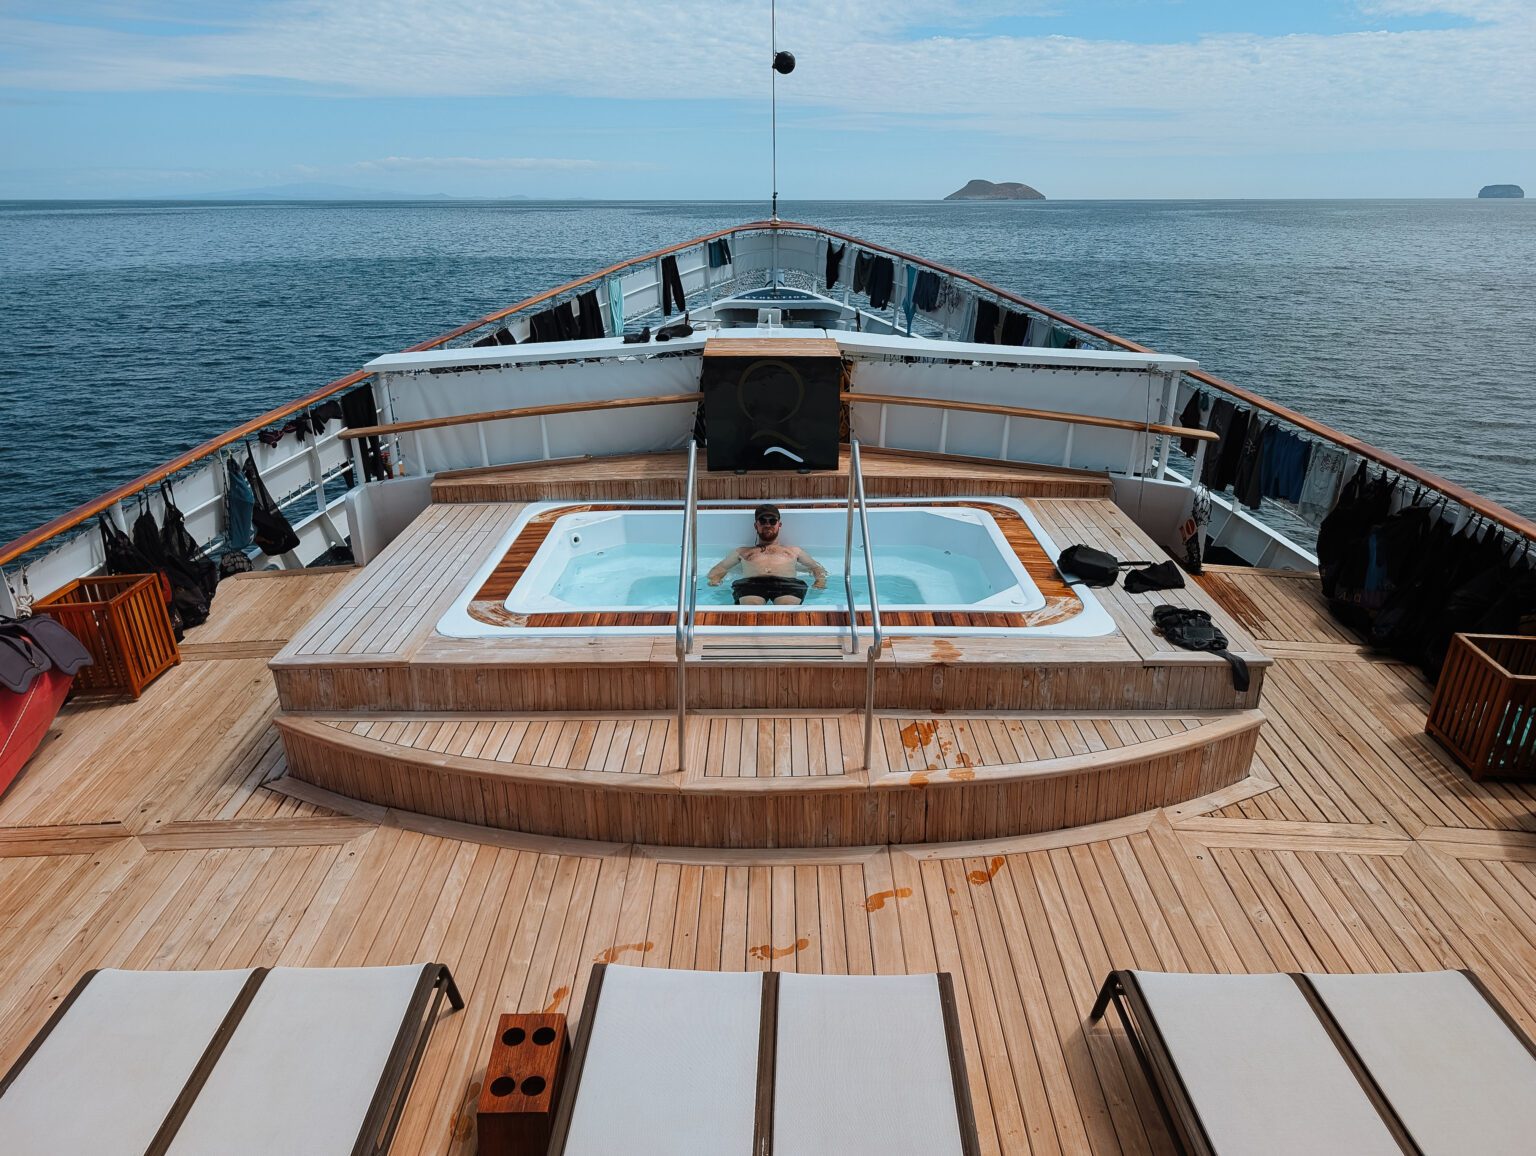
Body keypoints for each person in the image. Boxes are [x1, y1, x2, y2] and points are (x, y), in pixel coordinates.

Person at [706, 504, 828, 605]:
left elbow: (816, 567)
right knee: (751, 608)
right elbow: (720, 568)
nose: (767, 524)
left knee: (787, 608)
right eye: (763, 521)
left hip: (787, 583)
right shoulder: (743, 551)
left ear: (779, 525)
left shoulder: (794, 551)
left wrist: (820, 581)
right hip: (752, 584)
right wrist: (715, 579)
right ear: (756, 525)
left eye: (772, 521)